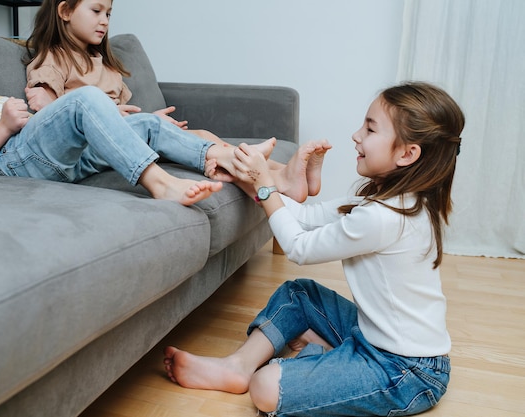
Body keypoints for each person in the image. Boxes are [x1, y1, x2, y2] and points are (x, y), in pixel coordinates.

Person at [164, 81, 464, 416]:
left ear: (407, 153)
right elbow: (306, 217)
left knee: (265, 388)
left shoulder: (384, 218)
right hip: (373, 337)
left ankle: (320, 362)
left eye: (370, 128)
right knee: (300, 295)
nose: (356, 136)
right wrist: (250, 180)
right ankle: (238, 366)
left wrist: (265, 186)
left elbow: (299, 248)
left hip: (406, 371)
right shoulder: (387, 201)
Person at [23, 0, 317, 202]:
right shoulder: (54, 57)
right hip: (81, 148)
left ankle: (279, 175)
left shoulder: (107, 66)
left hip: (115, 144)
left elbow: (126, 119)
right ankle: (270, 175)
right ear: (64, 10)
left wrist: (148, 118)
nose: (104, 21)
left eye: (109, 14)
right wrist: (133, 119)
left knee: (200, 136)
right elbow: (49, 112)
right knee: (168, 131)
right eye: (96, 10)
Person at [0, 24, 235, 206]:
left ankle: (216, 159)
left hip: (64, 160)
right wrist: (5, 126)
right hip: (12, 165)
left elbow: (50, 131)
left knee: (147, 123)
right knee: (85, 98)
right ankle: (161, 183)